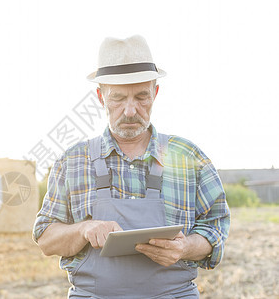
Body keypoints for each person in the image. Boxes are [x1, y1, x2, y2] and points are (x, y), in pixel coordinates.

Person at [32, 35, 230, 298]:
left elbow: (215, 227)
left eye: (141, 97)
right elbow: (46, 238)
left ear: (155, 93)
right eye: (117, 98)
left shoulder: (190, 157)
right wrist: (84, 229)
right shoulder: (71, 162)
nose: (129, 110)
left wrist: (185, 247)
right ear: (100, 97)